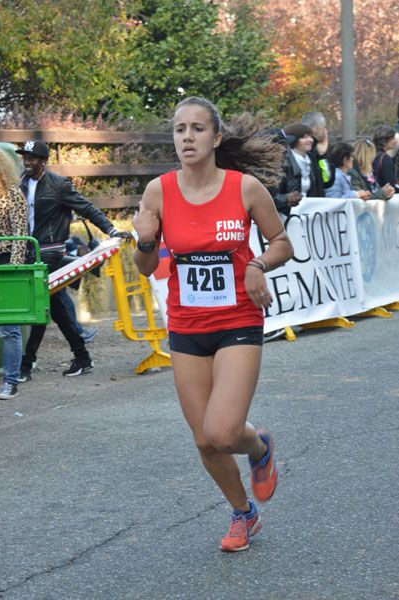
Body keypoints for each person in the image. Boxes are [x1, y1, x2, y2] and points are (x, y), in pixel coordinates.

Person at [132, 97, 294, 552]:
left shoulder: (245, 188)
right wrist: (145, 240)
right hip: (187, 325)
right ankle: (243, 513)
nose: (187, 137)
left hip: (238, 318)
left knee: (223, 432)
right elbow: (145, 267)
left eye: (198, 128)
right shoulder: (159, 192)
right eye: (180, 129)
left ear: (216, 137)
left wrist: (258, 264)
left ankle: (258, 447)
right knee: (205, 441)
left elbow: (282, 242)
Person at [15, 140, 131, 380]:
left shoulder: (59, 185)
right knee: (52, 306)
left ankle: (27, 364)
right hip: (30, 251)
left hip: (50, 250)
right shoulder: (21, 183)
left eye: (32, 157)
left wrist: (110, 230)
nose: (27, 161)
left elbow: (86, 208)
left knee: (41, 303)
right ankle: (81, 357)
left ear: (44, 161)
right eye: (24, 156)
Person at [0, 148, 28, 399]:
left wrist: (15, 268)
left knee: (9, 328)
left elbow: (20, 233)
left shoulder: (12, 193)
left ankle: (11, 380)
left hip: (6, 263)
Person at [263, 127, 303, 216]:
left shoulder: (283, 163)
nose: (286, 149)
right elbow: (264, 199)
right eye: (282, 144)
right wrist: (287, 198)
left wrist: (293, 198)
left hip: (281, 217)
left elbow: (293, 188)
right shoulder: (258, 169)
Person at [301, 111, 335, 195]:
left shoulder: (318, 150)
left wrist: (323, 155)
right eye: (324, 127)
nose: (326, 131)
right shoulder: (304, 151)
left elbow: (326, 181)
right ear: (316, 129)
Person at [282, 122, 319, 198]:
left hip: (308, 204)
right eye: (305, 137)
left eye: (311, 136)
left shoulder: (311, 160)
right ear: (293, 139)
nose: (310, 140)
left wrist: (324, 156)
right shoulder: (284, 161)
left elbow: (325, 184)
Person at [372, 125, 399, 192]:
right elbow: (391, 186)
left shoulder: (371, 155)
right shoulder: (386, 159)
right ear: (384, 141)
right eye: (393, 138)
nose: (396, 141)